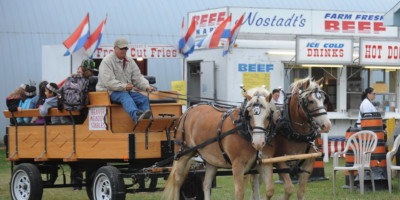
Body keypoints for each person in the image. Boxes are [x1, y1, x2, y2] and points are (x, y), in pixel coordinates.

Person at [96, 37, 154, 123]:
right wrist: (124, 86)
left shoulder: (130, 61)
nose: (124, 50)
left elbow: (137, 77)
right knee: (124, 96)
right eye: (121, 48)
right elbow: (108, 82)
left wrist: (146, 86)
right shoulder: (107, 61)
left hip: (125, 90)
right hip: (108, 91)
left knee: (144, 98)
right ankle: (137, 117)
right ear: (115, 48)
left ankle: (146, 122)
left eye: (126, 48)